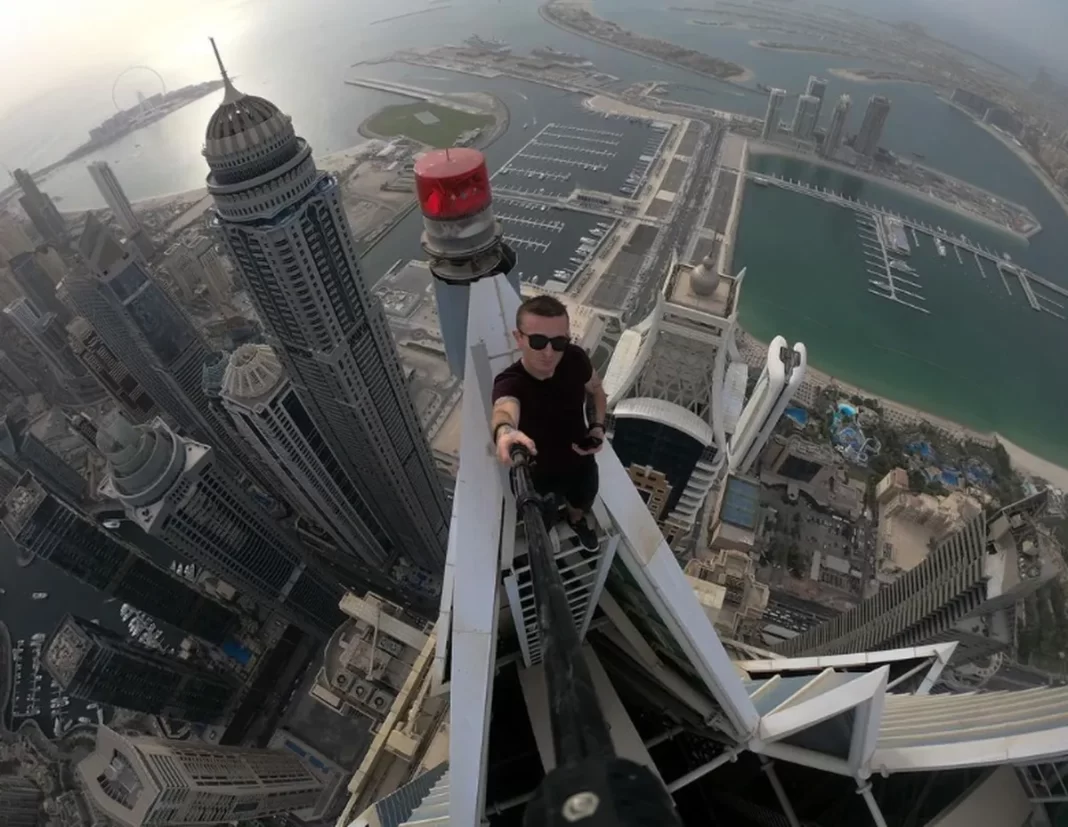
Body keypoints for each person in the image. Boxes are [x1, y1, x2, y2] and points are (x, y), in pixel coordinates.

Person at [491, 295, 607, 551]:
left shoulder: (575, 358)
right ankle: (548, 529)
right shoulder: (511, 382)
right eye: (538, 341)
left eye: (558, 342)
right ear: (519, 338)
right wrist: (505, 432)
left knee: (582, 503)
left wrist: (598, 427)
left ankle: (576, 521)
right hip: (536, 473)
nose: (548, 352)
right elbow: (505, 409)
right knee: (541, 518)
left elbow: (596, 391)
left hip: (579, 460)